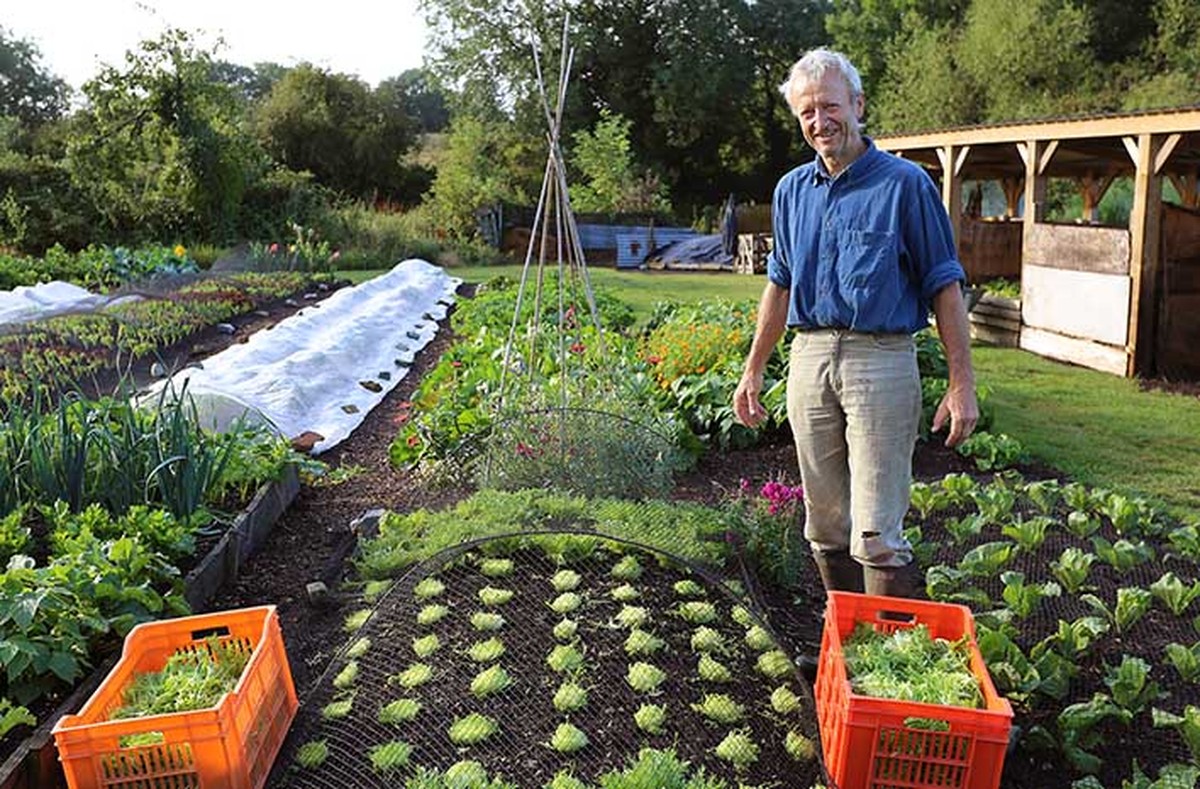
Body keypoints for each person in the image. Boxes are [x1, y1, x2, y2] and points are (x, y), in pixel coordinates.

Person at [732, 47, 978, 600]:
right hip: (810, 357)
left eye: (830, 106)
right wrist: (753, 371)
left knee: (876, 529)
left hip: (881, 359)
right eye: (808, 113)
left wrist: (962, 384)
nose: (821, 122)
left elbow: (945, 282)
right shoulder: (791, 191)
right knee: (824, 522)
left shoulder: (905, 185)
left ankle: (881, 648)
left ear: (858, 104)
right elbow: (780, 282)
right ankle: (841, 637)